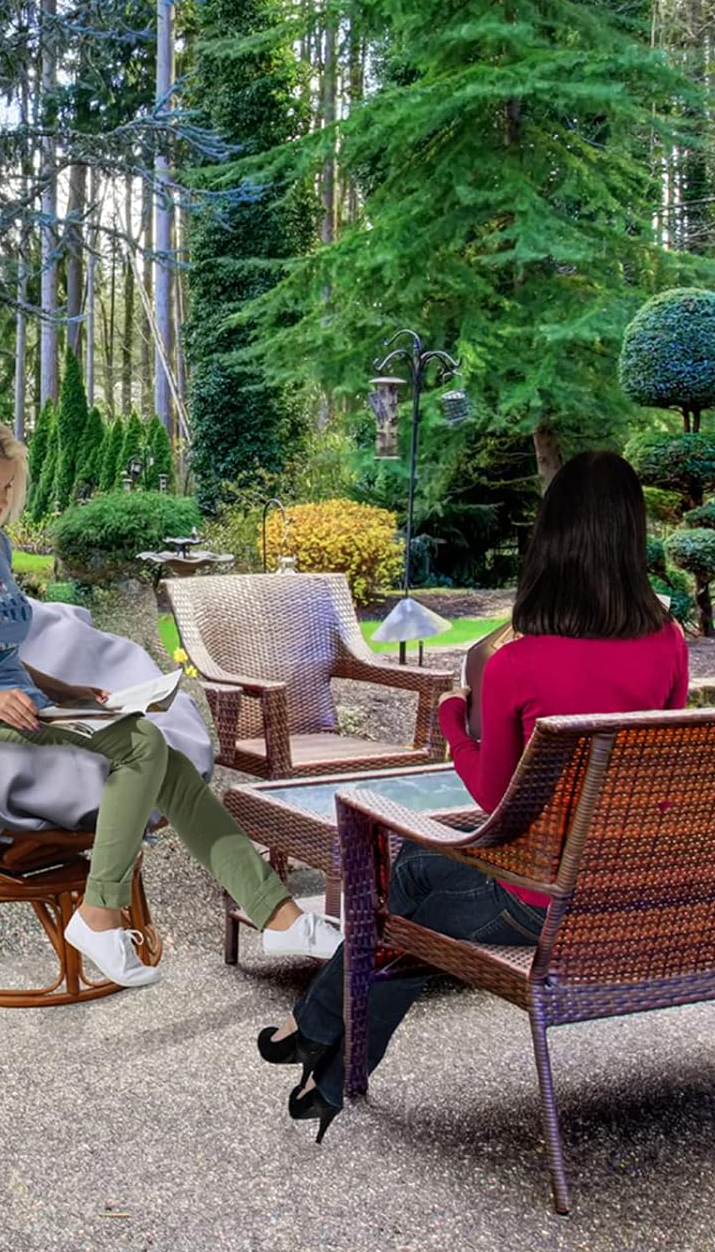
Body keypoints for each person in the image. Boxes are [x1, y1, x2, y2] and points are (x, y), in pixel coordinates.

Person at [261, 449, 689, 1139]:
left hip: (540, 904)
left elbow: (493, 798)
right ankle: (320, 1056)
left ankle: (318, 1042)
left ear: (551, 541)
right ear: (631, 537)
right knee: (413, 873)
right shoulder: (667, 642)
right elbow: (659, 762)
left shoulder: (519, 662)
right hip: (621, 880)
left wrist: (453, 717)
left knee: (403, 910)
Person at [0, 412, 341, 988]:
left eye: (7, 488)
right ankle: (100, 913)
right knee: (143, 743)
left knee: (172, 766)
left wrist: (67, 691)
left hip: (33, 707)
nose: (0, 503)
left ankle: (278, 916)